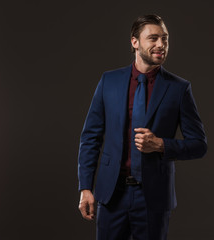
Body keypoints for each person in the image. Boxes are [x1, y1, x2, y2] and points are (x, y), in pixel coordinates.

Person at [77, 14, 207, 240]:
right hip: (111, 194)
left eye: (165, 39)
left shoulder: (179, 89)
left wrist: (161, 145)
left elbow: (199, 145)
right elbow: (90, 137)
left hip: (153, 197)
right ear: (135, 42)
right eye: (153, 38)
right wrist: (85, 187)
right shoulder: (109, 81)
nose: (161, 45)